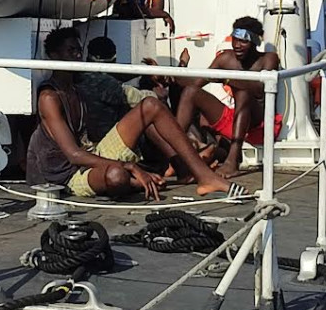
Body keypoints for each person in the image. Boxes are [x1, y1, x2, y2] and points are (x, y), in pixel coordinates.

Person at [26, 27, 247, 200]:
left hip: (90, 153)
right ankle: (138, 180)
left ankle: (203, 176)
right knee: (116, 176)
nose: (76, 56)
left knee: (151, 104)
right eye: (70, 51)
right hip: (68, 176)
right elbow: (73, 154)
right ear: (53, 55)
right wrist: (131, 167)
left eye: (78, 50)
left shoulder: (77, 84)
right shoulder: (49, 97)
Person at [175, 17, 280, 176]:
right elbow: (196, 83)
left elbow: (259, 90)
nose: (237, 45)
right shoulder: (225, 58)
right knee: (191, 92)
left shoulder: (269, 59)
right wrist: (180, 67)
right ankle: (174, 156)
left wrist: (228, 79)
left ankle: (232, 161)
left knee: (244, 93)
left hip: (259, 123)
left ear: (255, 42)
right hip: (234, 118)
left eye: (243, 42)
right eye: (235, 40)